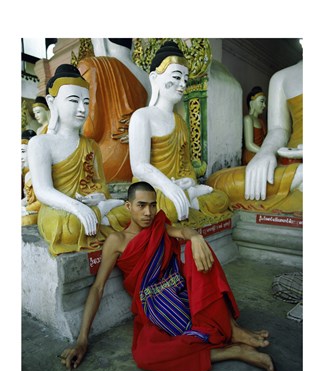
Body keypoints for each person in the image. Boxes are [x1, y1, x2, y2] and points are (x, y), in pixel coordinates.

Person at [60, 181, 277, 371]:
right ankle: (230, 350)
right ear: (128, 206)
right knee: (146, 356)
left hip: (181, 290)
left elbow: (182, 230)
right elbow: (98, 288)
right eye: (141, 205)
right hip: (154, 304)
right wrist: (82, 340)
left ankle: (232, 328)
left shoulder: (159, 227)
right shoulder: (117, 241)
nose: (148, 212)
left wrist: (195, 236)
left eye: (153, 206)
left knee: (195, 247)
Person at [128, 41, 231, 228]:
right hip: (153, 188)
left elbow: (185, 165)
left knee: (221, 198)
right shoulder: (142, 116)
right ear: (154, 78)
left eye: (185, 79)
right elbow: (139, 166)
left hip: (178, 187)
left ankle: (188, 197)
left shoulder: (180, 123)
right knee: (166, 209)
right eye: (176, 77)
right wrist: (169, 186)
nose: (182, 84)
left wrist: (189, 180)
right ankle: (188, 199)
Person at [27, 64, 125, 255]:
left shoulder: (91, 145)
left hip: (91, 204)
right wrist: (77, 208)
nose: (82, 109)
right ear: (52, 102)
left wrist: (98, 197)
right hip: (61, 210)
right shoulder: (40, 143)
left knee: (128, 214)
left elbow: (100, 185)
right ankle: (100, 214)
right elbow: (43, 190)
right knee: (67, 227)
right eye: (74, 100)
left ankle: (100, 213)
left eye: (87, 102)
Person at [206, 61, 302, 215]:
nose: (264, 106)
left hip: (294, 164)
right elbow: (279, 129)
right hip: (287, 163)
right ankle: (300, 176)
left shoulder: (259, 121)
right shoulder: (281, 78)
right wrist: (267, 151)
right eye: (261, 102)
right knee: (216, 183)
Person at [77, 38, 150, 183]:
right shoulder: (147, 76)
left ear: (100, 40)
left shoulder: (91, 66)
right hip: (143, 158)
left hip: (106, 163)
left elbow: (90, 130)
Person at [242, 86, 267, 165]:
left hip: (261, 153)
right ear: (252, 103)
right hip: (252, 154)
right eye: (262, 101)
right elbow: (249, 144)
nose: (264, 105)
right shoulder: (248, 119)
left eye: (264, 102)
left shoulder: (261, 121)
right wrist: (265, 152)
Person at [21, 129, 40, 225]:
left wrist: (25, 209)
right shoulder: (27, 173)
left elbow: (41, 201)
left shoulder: (39, 173)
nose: (20, 156)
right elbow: (27, 198)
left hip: (37, 211)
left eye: (23, 151)